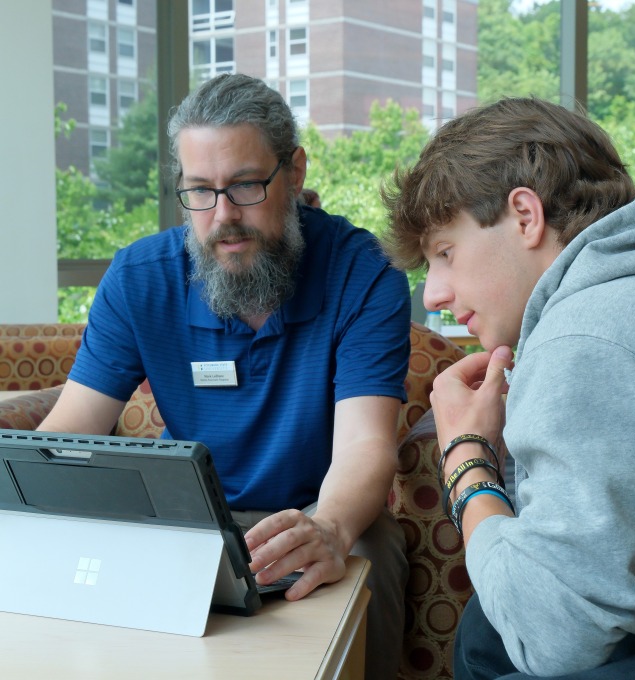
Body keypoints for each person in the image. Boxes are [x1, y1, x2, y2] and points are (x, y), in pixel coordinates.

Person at [39, 73, 411, 680]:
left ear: (293, 172)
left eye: (244, 186)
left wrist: (331, 527)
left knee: (370, 557)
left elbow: (367, 444)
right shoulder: (139, 278)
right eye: (199, 192)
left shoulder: (363, 273)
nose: (223, 217)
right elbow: (70, 432)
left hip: (313, 508)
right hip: (182, 515)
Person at [382, 96, 635, 679]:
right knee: (484, 634)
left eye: (445, 254)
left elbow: (549, 635)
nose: (432, 295)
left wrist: (466, 458)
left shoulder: (587, 338)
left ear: (525, 216)